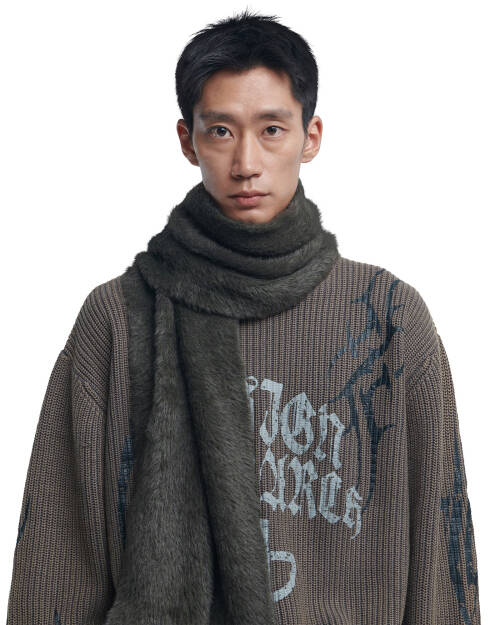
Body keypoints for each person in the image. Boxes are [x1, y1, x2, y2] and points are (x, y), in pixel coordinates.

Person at [6, 9, 481, 625]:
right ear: (188, 140)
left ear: (311, 136)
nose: (246, 162)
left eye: (272, 130)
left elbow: (442, 549)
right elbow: (57, 557)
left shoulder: (388, 318)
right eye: (222, 131)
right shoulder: (120, 318)